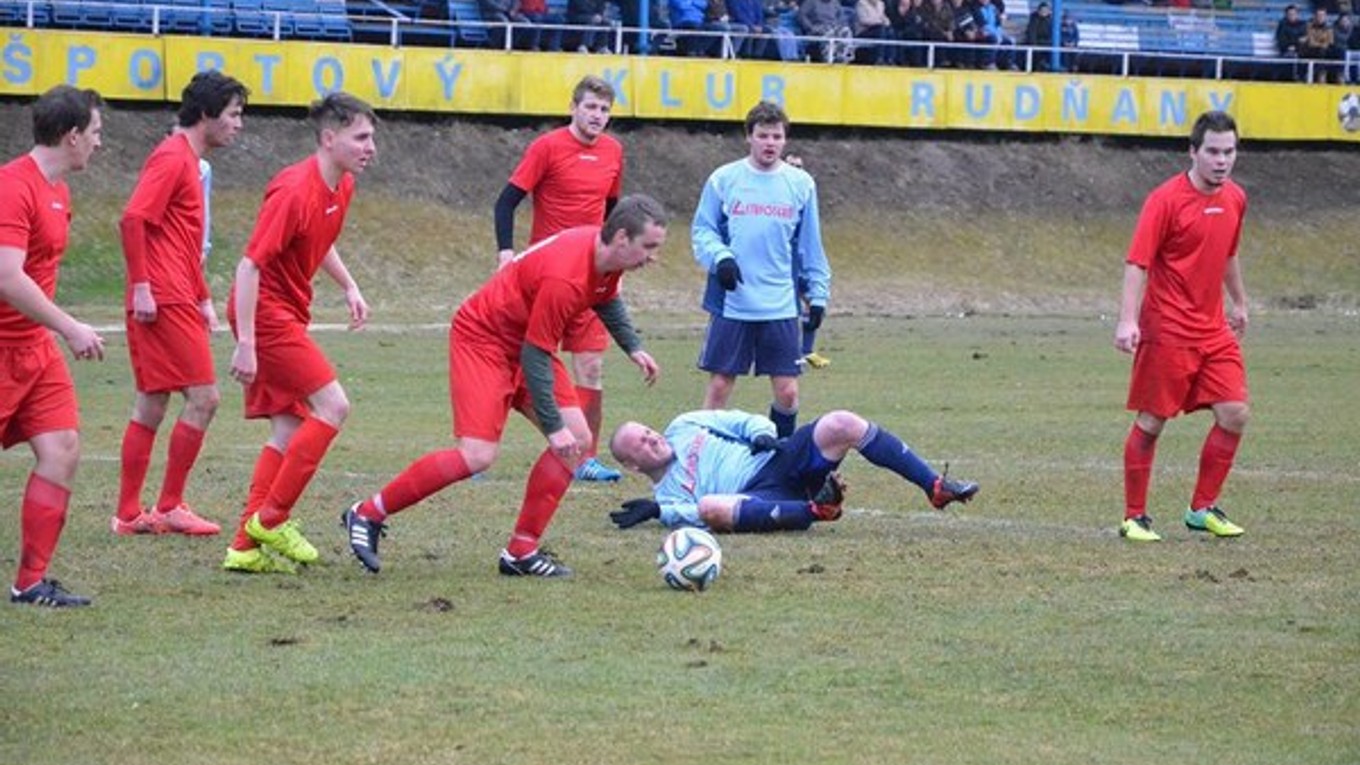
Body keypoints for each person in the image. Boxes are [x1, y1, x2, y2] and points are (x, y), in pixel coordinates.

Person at [341, 195, 667, 577]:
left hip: (525, 342)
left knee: (575, 443)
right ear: (623, 238)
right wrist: (554, 426)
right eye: (649, 247)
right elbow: (535, 355)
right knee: (477, 455)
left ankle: (521, 552)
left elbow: (606, 297)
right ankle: (367, 513)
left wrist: (633, 346)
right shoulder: (566, 276)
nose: (653, 257)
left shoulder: (605, 255)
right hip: (484, 340)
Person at [221, 92, 376, 574]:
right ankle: (273, 519)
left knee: (289, 426)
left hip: (286, 312)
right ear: (330, 139)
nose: (371, 147)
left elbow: (319, 241)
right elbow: (249, 267)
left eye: (372, 137)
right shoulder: (293, 189)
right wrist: (246, 343)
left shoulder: (342, 185)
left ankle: (243, 548)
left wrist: (349, 285)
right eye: (361, 137)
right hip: (264, 314)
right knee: (334, 406)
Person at [112, 71, 249, 538]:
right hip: (162, 298)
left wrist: (204, 298)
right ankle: (168, 505)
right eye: (233, 114)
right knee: (205, 398)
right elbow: (133, 221)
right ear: (207, 114)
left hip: (176, 294)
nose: (239, 124)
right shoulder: (173, 158)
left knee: (152, 401)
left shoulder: (190, 161)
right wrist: (143, 287)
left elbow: (183, 240)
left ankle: (129, 515)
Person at [1115, 111, 1250, 544]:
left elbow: (1227, 254)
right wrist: (1127, 320)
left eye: (1228, 151)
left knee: (1235, 413)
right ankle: (1134, 517)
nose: (1221, 160)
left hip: (1213, 330)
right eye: (1212, 151)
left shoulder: (1235, 198)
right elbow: (1138, 263)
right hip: (1168, 328)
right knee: (1153, 422)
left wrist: (1240, 303)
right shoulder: (1164, 200)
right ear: (1193, 152)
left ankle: (1202, 509)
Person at [0, 85, 106, 607]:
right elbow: (7, 276)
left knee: (61, 449)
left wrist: (52, 331)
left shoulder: (60, 190)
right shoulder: (11, 187)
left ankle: (30, 583)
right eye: (95, 133)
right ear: (71, 136)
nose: (99, 144)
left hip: (33, 349)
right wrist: (70, 326)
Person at [494, 75, 627, 482]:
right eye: (590, 107)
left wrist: (615, 269)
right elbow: (506, 201)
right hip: (546, 279)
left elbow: (612, 213)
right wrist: (506, 253)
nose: (597, 116)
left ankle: (584, 457)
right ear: (574, 108)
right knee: (516, 365)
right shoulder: (547, 147)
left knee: (590, 366)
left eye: (604, 110)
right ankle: (482, 442)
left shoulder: (613, 151)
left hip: (590, 279)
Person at [692, 101, 830, 439]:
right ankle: (703, 458)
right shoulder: (724, 179)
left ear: (785, 140)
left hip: (780, 305)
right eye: (763, 135)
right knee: (720, 387)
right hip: (734, 304)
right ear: (749, 137)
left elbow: (810, 246)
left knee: (788, 393)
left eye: (777, 136)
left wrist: (819, 294)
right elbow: (702, 231)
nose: (770, 143)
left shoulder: (801, 184)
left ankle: (781, 465)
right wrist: (720, 258)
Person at [607, 408, 979, 532]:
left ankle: (934, 485)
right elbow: (696, 515)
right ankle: (819, 510)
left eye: (648, 431)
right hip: (758, 498)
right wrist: (659, 511)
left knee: (841, 423)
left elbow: (739, 421)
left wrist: (764, 435)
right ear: (631, 464)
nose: (652, 438)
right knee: (710, 509)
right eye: (640, 443)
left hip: (776, 460)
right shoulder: (666, 497)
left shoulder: (684, 425)